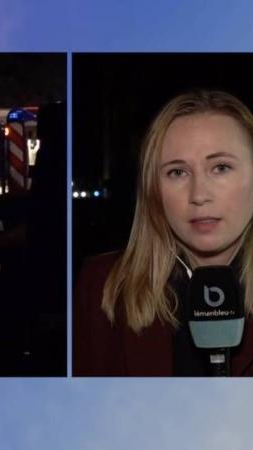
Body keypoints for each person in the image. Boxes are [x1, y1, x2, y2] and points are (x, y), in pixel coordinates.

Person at [74, 90, 253, 376]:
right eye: (177, 172)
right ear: (152, 189)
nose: (199, 195)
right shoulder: (102, 287)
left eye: (220, 168)